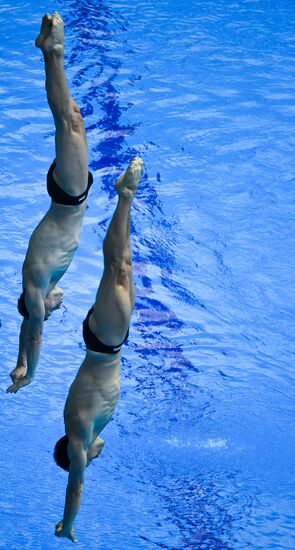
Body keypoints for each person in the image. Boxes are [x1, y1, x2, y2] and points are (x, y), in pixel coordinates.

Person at [53, 156, 143, 543]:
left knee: (116, 268)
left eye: (81, 460)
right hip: (107, 342)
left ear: (74, 455)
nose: (91, 459)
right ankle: (125, 200)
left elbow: (75, 487)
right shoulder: (85, 432)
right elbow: (100, 445)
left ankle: (124, 196)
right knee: (122, 265)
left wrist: (67, 525)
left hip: (105, 342)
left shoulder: (77, 438)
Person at [7, 12, 93, 393]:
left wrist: (31, 370)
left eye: (49, 308)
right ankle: (51, 52)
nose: (60, 303)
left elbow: (35, 330)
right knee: (71, 119)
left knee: (68, 120)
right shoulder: (36, 286)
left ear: (39, 306)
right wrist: (19, 359)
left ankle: (52, 51)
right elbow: (26, 326)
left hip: (69, 196)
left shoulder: (37, 290)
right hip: (65, 197)